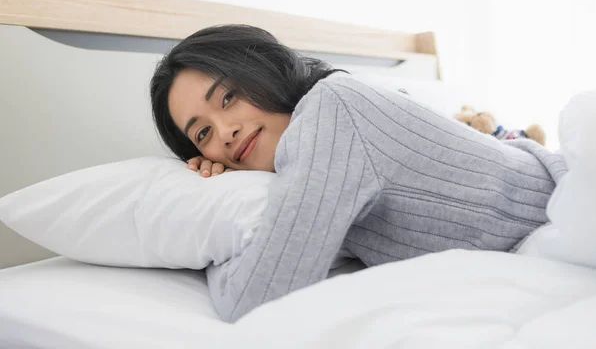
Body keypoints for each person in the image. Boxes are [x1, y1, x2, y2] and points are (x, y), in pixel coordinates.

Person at [150, 24, 567, 322]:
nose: (225, 132)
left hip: (568, 202)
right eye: (202, 133)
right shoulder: (313, 150)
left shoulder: (331, 111)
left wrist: (208, 257)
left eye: (229, 97)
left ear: (264, 71)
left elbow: (256, 298)